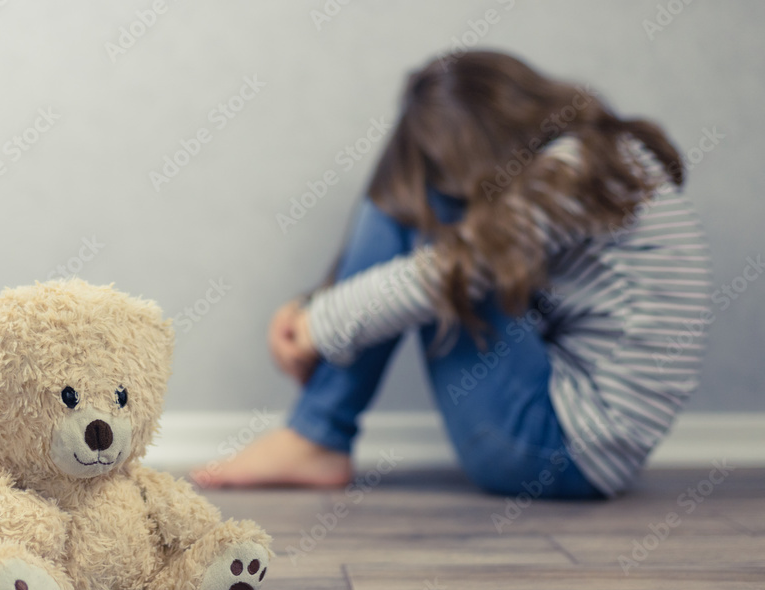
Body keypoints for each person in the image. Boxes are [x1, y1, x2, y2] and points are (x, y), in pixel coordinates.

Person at [192, 50, 711, 498]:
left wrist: (315, 323)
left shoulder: (568, 171)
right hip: (587, 452)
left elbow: (445, 276)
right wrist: (318, 310)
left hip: (550, 449)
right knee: (427, 211)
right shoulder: (599, 155)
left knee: (416, 202)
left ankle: (317, 435)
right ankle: (316, 433)